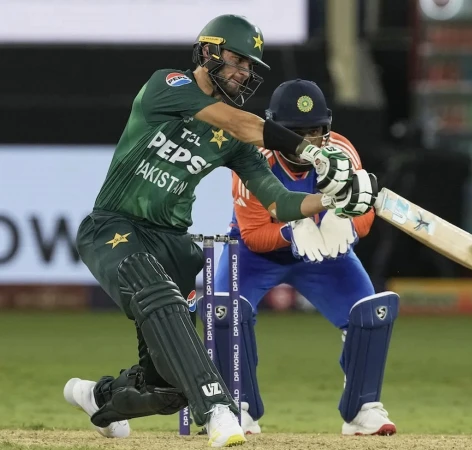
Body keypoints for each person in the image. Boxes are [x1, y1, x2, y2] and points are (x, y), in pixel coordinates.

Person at [61, 15, 378, 448]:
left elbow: (280, 203)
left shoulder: (236, 139)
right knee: (158, 294)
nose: (244, 73)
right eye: (237, 60)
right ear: (208, 51)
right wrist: (313, 153)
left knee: (167, 389)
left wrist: (329, 200)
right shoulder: (167, 85)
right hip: (115, 226)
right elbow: (239, 122)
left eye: (250, 67)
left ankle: (98, 398)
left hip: (172, 243)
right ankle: (217, 409)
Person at [208, 79, 399, 436]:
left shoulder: (342, 151)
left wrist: (350, 224)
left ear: (327, 127)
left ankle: (363, 409)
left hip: (322, 250)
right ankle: (237, 408)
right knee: (224, 312)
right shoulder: (252, 157)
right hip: (256, 252)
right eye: (295, 134)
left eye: (315, 131)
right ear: (274, 130)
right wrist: (290, 232)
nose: (308, 143)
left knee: (370, 314)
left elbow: (365, 209)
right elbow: (254, 235)